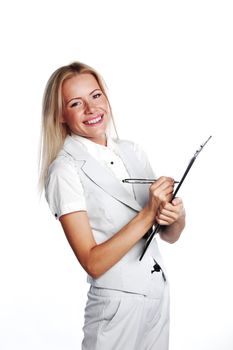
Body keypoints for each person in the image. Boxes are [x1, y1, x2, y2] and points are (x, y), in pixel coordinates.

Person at [39, 61, 186, 350]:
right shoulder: (64, 171)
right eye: (75, 103)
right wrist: (148, 214)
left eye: (96, 96)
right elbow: (93, 263)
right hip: (115, 308)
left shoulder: (133, 151)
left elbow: (169, 235)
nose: (91, 110)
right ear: (60, 115)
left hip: (157, 294)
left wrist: (175, 215)